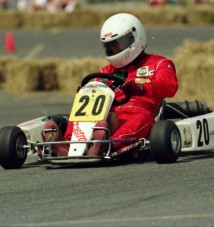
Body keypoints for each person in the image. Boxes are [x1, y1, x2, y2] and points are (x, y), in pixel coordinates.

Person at [44, 13, 178, 157]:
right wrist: (86, 93)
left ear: (135, 36)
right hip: (106, 117)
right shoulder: (104, 72)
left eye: (118, 44)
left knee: (142, 117)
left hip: (138, 112)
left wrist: (140, 88)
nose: (114, 50)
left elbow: (170, 87)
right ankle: (67, 145)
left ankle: (109, 145)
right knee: (83, 109)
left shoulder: (159, 63)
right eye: (110, 46)